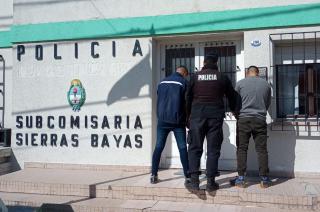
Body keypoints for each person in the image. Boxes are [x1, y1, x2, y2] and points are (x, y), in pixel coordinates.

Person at [186, 53, 237, 191]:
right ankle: (210, 182)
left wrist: (187, 117)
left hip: (197, 117)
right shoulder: (222, 77)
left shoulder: (195, 77)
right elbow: (232, 96)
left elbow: (187, 97)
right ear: (216, 63)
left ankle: (195, 181)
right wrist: (236, 112)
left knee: (194, 148)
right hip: (215, 117)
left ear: (203, 62)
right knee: (213, 150)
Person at [231, 66, 272, 188]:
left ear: (247, 73)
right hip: (260, 119)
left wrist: (237, 114)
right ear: (258, 73)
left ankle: (241, 179)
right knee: (262, 150)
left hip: (243, 119)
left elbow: (234, 102)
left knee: (242, 149)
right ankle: (264, 179)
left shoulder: (240, 84)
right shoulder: (266, 85)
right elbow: (267, 103)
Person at [151, 66, 190, 185]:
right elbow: (187, 102)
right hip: (178, 121)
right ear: (184, 73)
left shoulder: (162, 82)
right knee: (182, 147)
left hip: (162, 120)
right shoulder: (183, 82)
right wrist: (188, 119)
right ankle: (187, 176)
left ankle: (153, 175)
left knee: (158, 147)